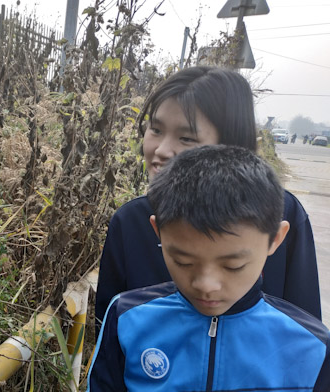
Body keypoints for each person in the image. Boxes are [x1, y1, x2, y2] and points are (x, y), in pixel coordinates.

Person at [80, 145, 330, 392]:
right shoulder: (128, 316)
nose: (206, 285)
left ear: (275, 239)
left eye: (233, 265)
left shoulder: (312, 347)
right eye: (184, 261)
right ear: (158, 232)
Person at [95, 66, 321, 335]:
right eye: (155, 129)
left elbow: (305, 330)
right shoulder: (130, 222)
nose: (162, 150)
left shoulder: (281, 212)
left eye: (187, 137)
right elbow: (110, 332)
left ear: (230, 143)